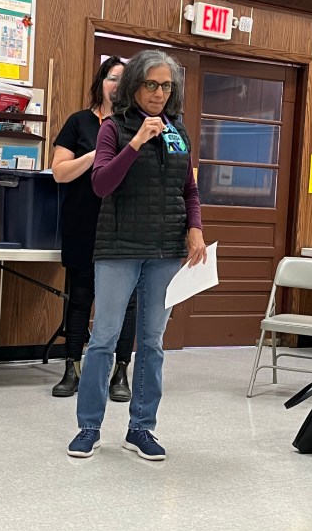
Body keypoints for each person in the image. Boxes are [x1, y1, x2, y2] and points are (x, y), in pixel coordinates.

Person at [67, 49, 206, 460]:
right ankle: (89, 426)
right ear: (134, 86)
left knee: (152, 343)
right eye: (152, 84)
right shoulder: (113, 128)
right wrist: (136, 143)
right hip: (118, 249)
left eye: (166, 86)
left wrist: (195, 230)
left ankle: (141, 428)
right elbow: (101, 184)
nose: (160, 93)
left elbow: (189, 190)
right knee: (104, 339)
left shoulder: (179, 131)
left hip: (166, 251)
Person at [52, 57, 137, 401]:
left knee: (126, 304)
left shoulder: (136, 126)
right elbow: (59, 173)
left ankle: (120, 373)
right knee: (80, 298)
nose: (116, 85)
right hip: (83, 223)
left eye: (123, 80)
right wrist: (95, 154)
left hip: (124, 226)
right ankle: (72, 368)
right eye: (111, 78)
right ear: (100, 82)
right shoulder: (79, 122)